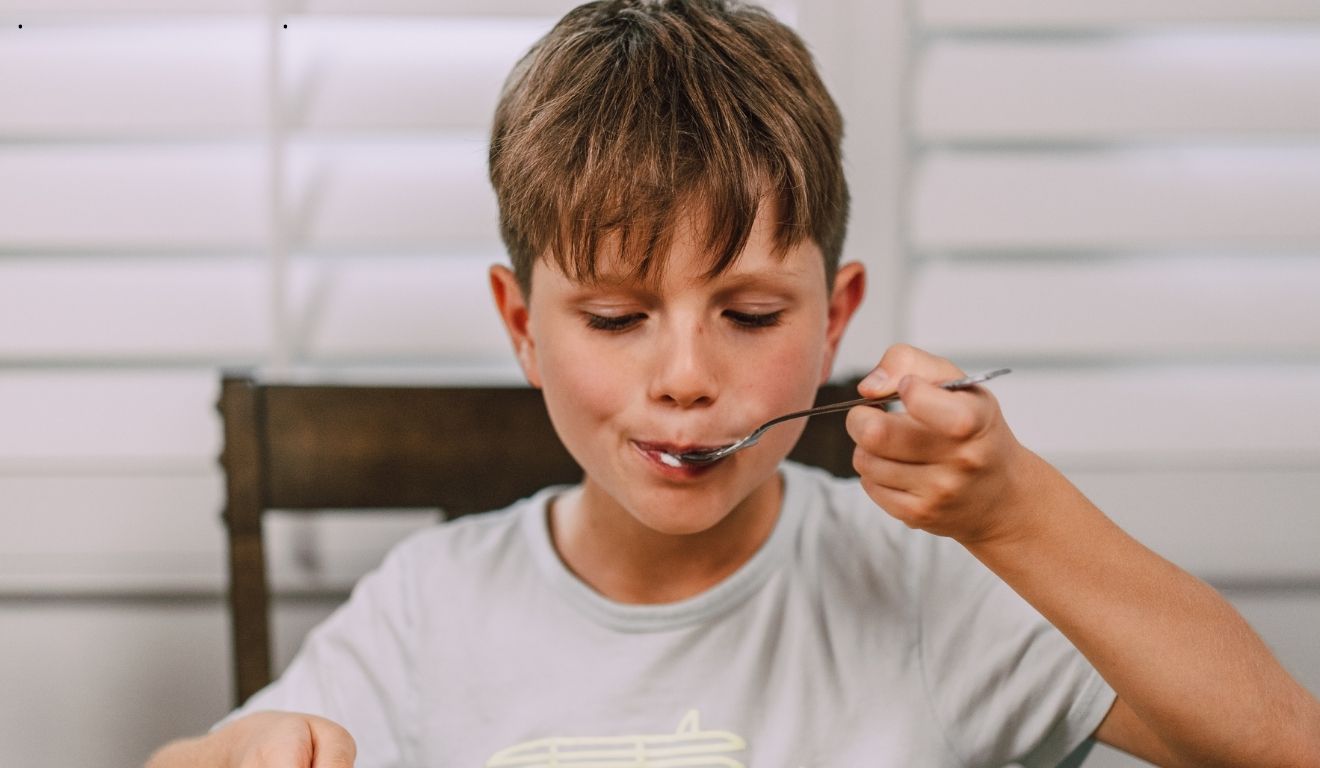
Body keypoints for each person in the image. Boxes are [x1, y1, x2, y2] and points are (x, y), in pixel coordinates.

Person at [148, 1, 1320, 766]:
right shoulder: (428, 610)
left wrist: (1017, 513)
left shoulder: (923, 595)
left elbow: (1281, 745)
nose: (688, 379)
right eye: (615, 317)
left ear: (834, 322)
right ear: (522, 328)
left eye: (751, 314)